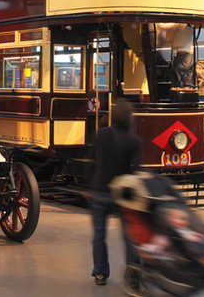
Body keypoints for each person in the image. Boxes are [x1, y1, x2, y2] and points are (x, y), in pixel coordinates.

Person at [89, 99, 142, 286]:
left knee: (98, 236)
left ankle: (100, 274)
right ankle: (134, 278)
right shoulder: (135, 141)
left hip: (100, 191)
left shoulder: (101, 134)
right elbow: (136, 172)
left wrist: (88, 186)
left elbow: (93, 160)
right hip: (123, 195)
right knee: (130, 237)